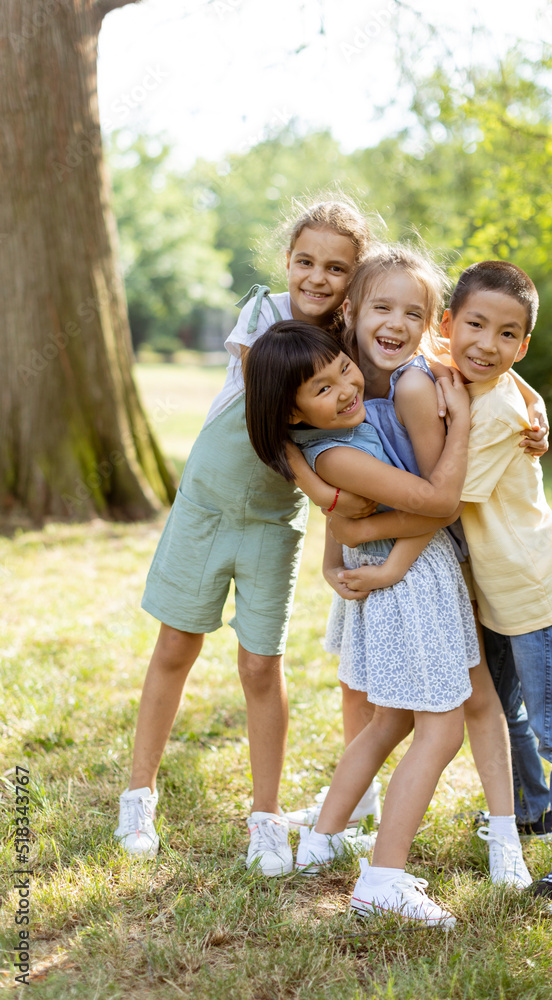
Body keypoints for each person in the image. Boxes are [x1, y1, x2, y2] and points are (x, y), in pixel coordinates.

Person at [335, 259, 552, 912]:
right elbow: (473, 364)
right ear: (448, 325)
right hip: (487, 594)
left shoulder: (491, 414)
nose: (486, 344)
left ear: (522, 345)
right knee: (501, 707)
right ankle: (528, 810)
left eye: (506, 335)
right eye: (475, 326)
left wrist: (362, 531)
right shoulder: (464, 369)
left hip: (530, 595)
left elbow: (442, 506)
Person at [114, 199, 377, 876]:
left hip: (269, 521)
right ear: (287, 261)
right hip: (206, 502)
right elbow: (271, 413)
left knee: (261, 664)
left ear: (355, 277)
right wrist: (314, 481)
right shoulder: (262, 315)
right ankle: (138, 794)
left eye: (336, 268)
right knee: (177, 642)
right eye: (305, 262)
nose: (316, 277)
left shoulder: (352, 345)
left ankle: (265, 819)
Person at [288, 246, 539, 888]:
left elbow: (436, 500)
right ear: (352, 311)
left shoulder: (417, 380)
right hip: (409, 566)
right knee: (434, 712)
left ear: (433, 323)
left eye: (413, 312)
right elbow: (390, 499)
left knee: (460, 704)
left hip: (422, 558)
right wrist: (345, 549)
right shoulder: (345, 380)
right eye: (382, 307)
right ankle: (364, 852)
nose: (395, 323)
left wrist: (534, 406)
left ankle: (501, 834)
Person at [244, 319, 477, 926]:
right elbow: (441, 503)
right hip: (408, 587)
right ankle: (383, 878)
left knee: (389, 721)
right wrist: (465, 426)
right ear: (294, 417)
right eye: (320, 389)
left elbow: (352, 517)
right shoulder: (340, 455)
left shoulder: (340, 434)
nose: (345, 387)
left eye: (341, 368)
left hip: (403, 579)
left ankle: (321, 840)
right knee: (442, 730)